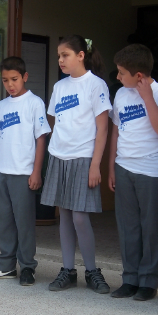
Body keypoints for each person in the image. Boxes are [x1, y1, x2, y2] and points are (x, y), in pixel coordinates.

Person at [108, 44, 158, 301]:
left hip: (152, 170)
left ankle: (149, 282)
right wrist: (112, 166)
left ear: (139, 76)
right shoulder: (121, 94)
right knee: (128, 227)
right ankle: (130, 278)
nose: (117, 77)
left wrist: (147, 97)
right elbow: (116, 130)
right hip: (124, 166)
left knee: (151, 228)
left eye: (121, 72)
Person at [42, 36, 112, 294]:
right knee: (66, 216)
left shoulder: (96, 85)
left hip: (84, 157)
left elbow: (103, 129)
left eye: (65, 55)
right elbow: (54, 121)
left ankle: (92, 270)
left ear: (81, 55)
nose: (60, 60)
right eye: (59, 56)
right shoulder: (60, 87)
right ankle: (67, 270)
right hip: (59, 156)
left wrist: (96, 165)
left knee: (81, 217)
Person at [0, 56, 50, 286]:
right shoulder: (1, 106)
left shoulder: (35, 103)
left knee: (24, 222)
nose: (10, 84)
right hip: (3, 172)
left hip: (24, 173)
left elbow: (41, 139)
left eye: (14, 79)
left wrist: (36, 171)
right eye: (5, 80)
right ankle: (5, 266)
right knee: (4, 221)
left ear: (25, 77)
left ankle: (27, 266)